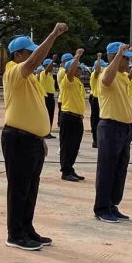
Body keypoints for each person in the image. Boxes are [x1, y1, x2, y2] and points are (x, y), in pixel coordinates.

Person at [1, 26, 67, 249]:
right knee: (19, 188)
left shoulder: (30, 78)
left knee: (30, 188)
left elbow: (32, 109)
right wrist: (53, 35)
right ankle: (15, 234)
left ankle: (27, 228)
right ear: (18, 54)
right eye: (29, 52)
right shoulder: (13, 71)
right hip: (18, 138)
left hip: (32, 140)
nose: (34, 56)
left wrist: (41, 138)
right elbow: (33, 63)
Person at [93, 41, 132, 224]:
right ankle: (102, 208)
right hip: (110, 126)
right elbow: (107, 79)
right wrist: (119, 55)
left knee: (120, 169)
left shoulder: (123, 76)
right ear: (112, 57)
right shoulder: (107, 74)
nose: (128, 62)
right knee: (107, 169)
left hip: (124, 128)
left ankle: (112, 204)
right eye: (125, 58)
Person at [58, 50, 86, 182]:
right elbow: (69, 72)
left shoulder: (78, 82)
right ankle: (65, 171)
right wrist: (77, 56)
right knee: (67, 145)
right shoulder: (67, 80)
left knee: (75, 146)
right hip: (69, 117)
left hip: (77, 118)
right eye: (78, 68)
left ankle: (70, 167)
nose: (81, 70)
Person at [40, 58, 57, 137]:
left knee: (51, 115)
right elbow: (46, 70)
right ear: (46, 66)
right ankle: (44, 132)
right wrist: (53, 60)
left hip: (51, 96)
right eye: (51, 66)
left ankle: (48, 132)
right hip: (46, 96)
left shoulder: (50, 75)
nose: (52, 67)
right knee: (46, 115)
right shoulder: (43, 73)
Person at [89, 56, 102, 148]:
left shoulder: (101, 75)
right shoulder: (95, 74)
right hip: (96, 99)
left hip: (100, 100)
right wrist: (99, 58)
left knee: (100, 121)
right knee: (96, 121)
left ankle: (99, 139)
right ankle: (95, 140)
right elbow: (97, 70)